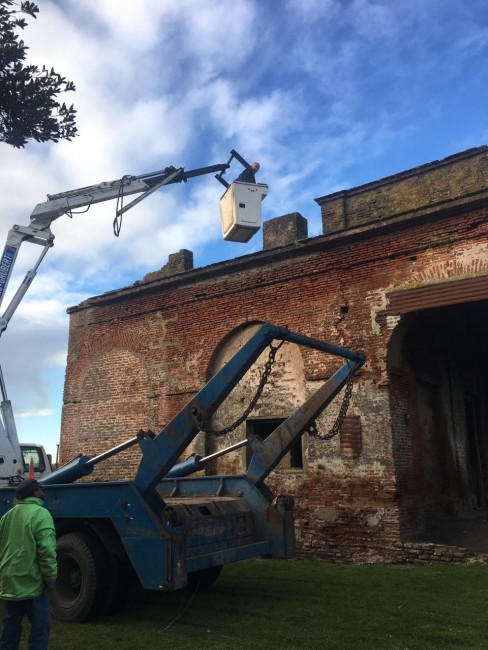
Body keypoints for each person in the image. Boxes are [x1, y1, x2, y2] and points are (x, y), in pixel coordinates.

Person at [0, 479, 57, 650]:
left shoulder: (7, 516)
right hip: (32, 584)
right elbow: (46, 551)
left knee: (10, 630)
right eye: (40, 489)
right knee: (40, 630)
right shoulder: (41, 514)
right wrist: (50, 578)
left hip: (10, 582)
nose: (43, 492)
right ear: (34, 493)